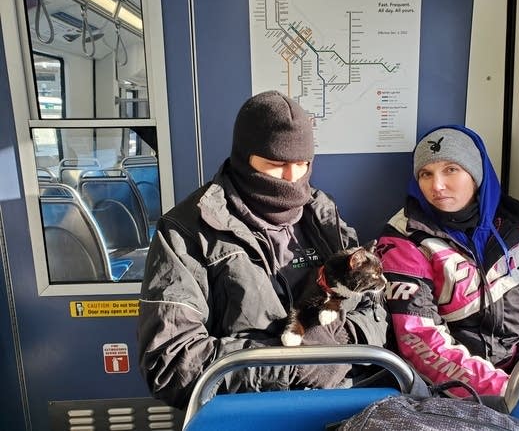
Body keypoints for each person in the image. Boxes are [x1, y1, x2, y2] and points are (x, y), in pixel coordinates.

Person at [137, 90, 390, 409]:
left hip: (340, 401)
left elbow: (376, 309)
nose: (292, 178)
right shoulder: (187, 231)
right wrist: (291, 366)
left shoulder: (322, 215)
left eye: (302, 164)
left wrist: (338, 345)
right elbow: (171, 363)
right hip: (249, 411)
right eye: (275, 164)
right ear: (245, 157)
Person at [377, 124, 519, 397]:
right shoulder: (404, 238)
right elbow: (419, 342)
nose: (437, 186)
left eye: (451, 170)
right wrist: (504, 391)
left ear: (476, 174)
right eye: (426, 174)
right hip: (444, 393)